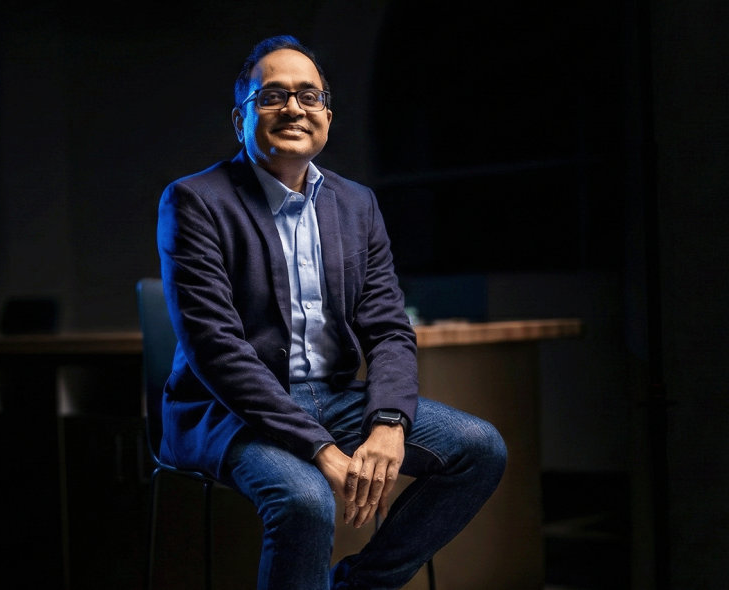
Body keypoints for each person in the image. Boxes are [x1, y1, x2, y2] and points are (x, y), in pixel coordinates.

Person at [156, 35, 507, 590]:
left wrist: (390, 422)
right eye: (272, 95)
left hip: (335, 397)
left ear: (326, 114)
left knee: (480, 449)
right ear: (239, 117)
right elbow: (216, 351)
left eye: (308, 95)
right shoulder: (195, 200)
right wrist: (320, 449)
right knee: (306, 499)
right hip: (226, 409)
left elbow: (390, 328)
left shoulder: (357, 203)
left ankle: (360, 585)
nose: (293, 107)